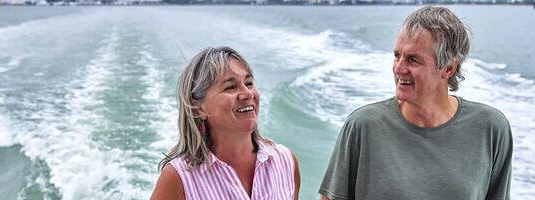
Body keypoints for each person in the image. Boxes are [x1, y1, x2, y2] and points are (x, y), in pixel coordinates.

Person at [319, 6, 513, 200]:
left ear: (448, 68)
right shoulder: (363, 126)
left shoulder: (491, 129)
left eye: (412, 59)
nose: (399, 68)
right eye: (397, 56)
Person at [150, 47, 300, 200]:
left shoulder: (285, 161)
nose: (247, 93)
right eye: (230, 87)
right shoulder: (178, 178)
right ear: (198, 108)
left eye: (248, 83)